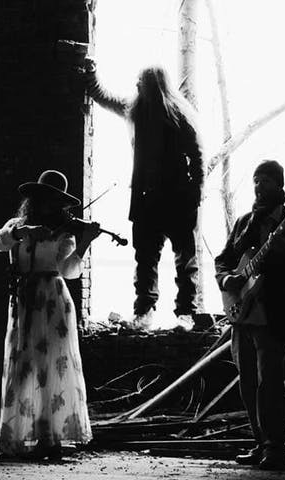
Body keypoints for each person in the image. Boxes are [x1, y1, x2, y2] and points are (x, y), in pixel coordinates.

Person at [82, 62, 204, 331]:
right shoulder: (136, 110)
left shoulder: (179, 116)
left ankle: (186, 314)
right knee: (146, 260)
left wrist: (195, 195)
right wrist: (91, 74)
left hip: (178, 201)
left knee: (185, 262)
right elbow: (104, 96)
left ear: (154, 85)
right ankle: (144, 313)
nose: (136, 84)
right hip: (147, 201)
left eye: (141, 81)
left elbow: (197, 157)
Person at [0, 170, 99, 459]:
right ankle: (17, 437)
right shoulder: (17, 225)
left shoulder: (64, 231)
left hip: (52, 300)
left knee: (50, 366)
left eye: (55, 199)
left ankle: (49, 438)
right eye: (44, 197)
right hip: (22, 299)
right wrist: (22, 233)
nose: (50, 203)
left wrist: (85, 242)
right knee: (22, 364)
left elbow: (69, 271)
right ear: (36, 199)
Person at [215, 160, 285, 471]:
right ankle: (260, 444)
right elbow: (224, 260)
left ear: (280, 185)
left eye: (266, 181)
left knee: (269, 382)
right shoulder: (244, 222)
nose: (259, 186)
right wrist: (226, 280)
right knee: (247, 383)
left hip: (274, 316)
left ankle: (276, 448)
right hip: (242, 314)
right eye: (257, 181)